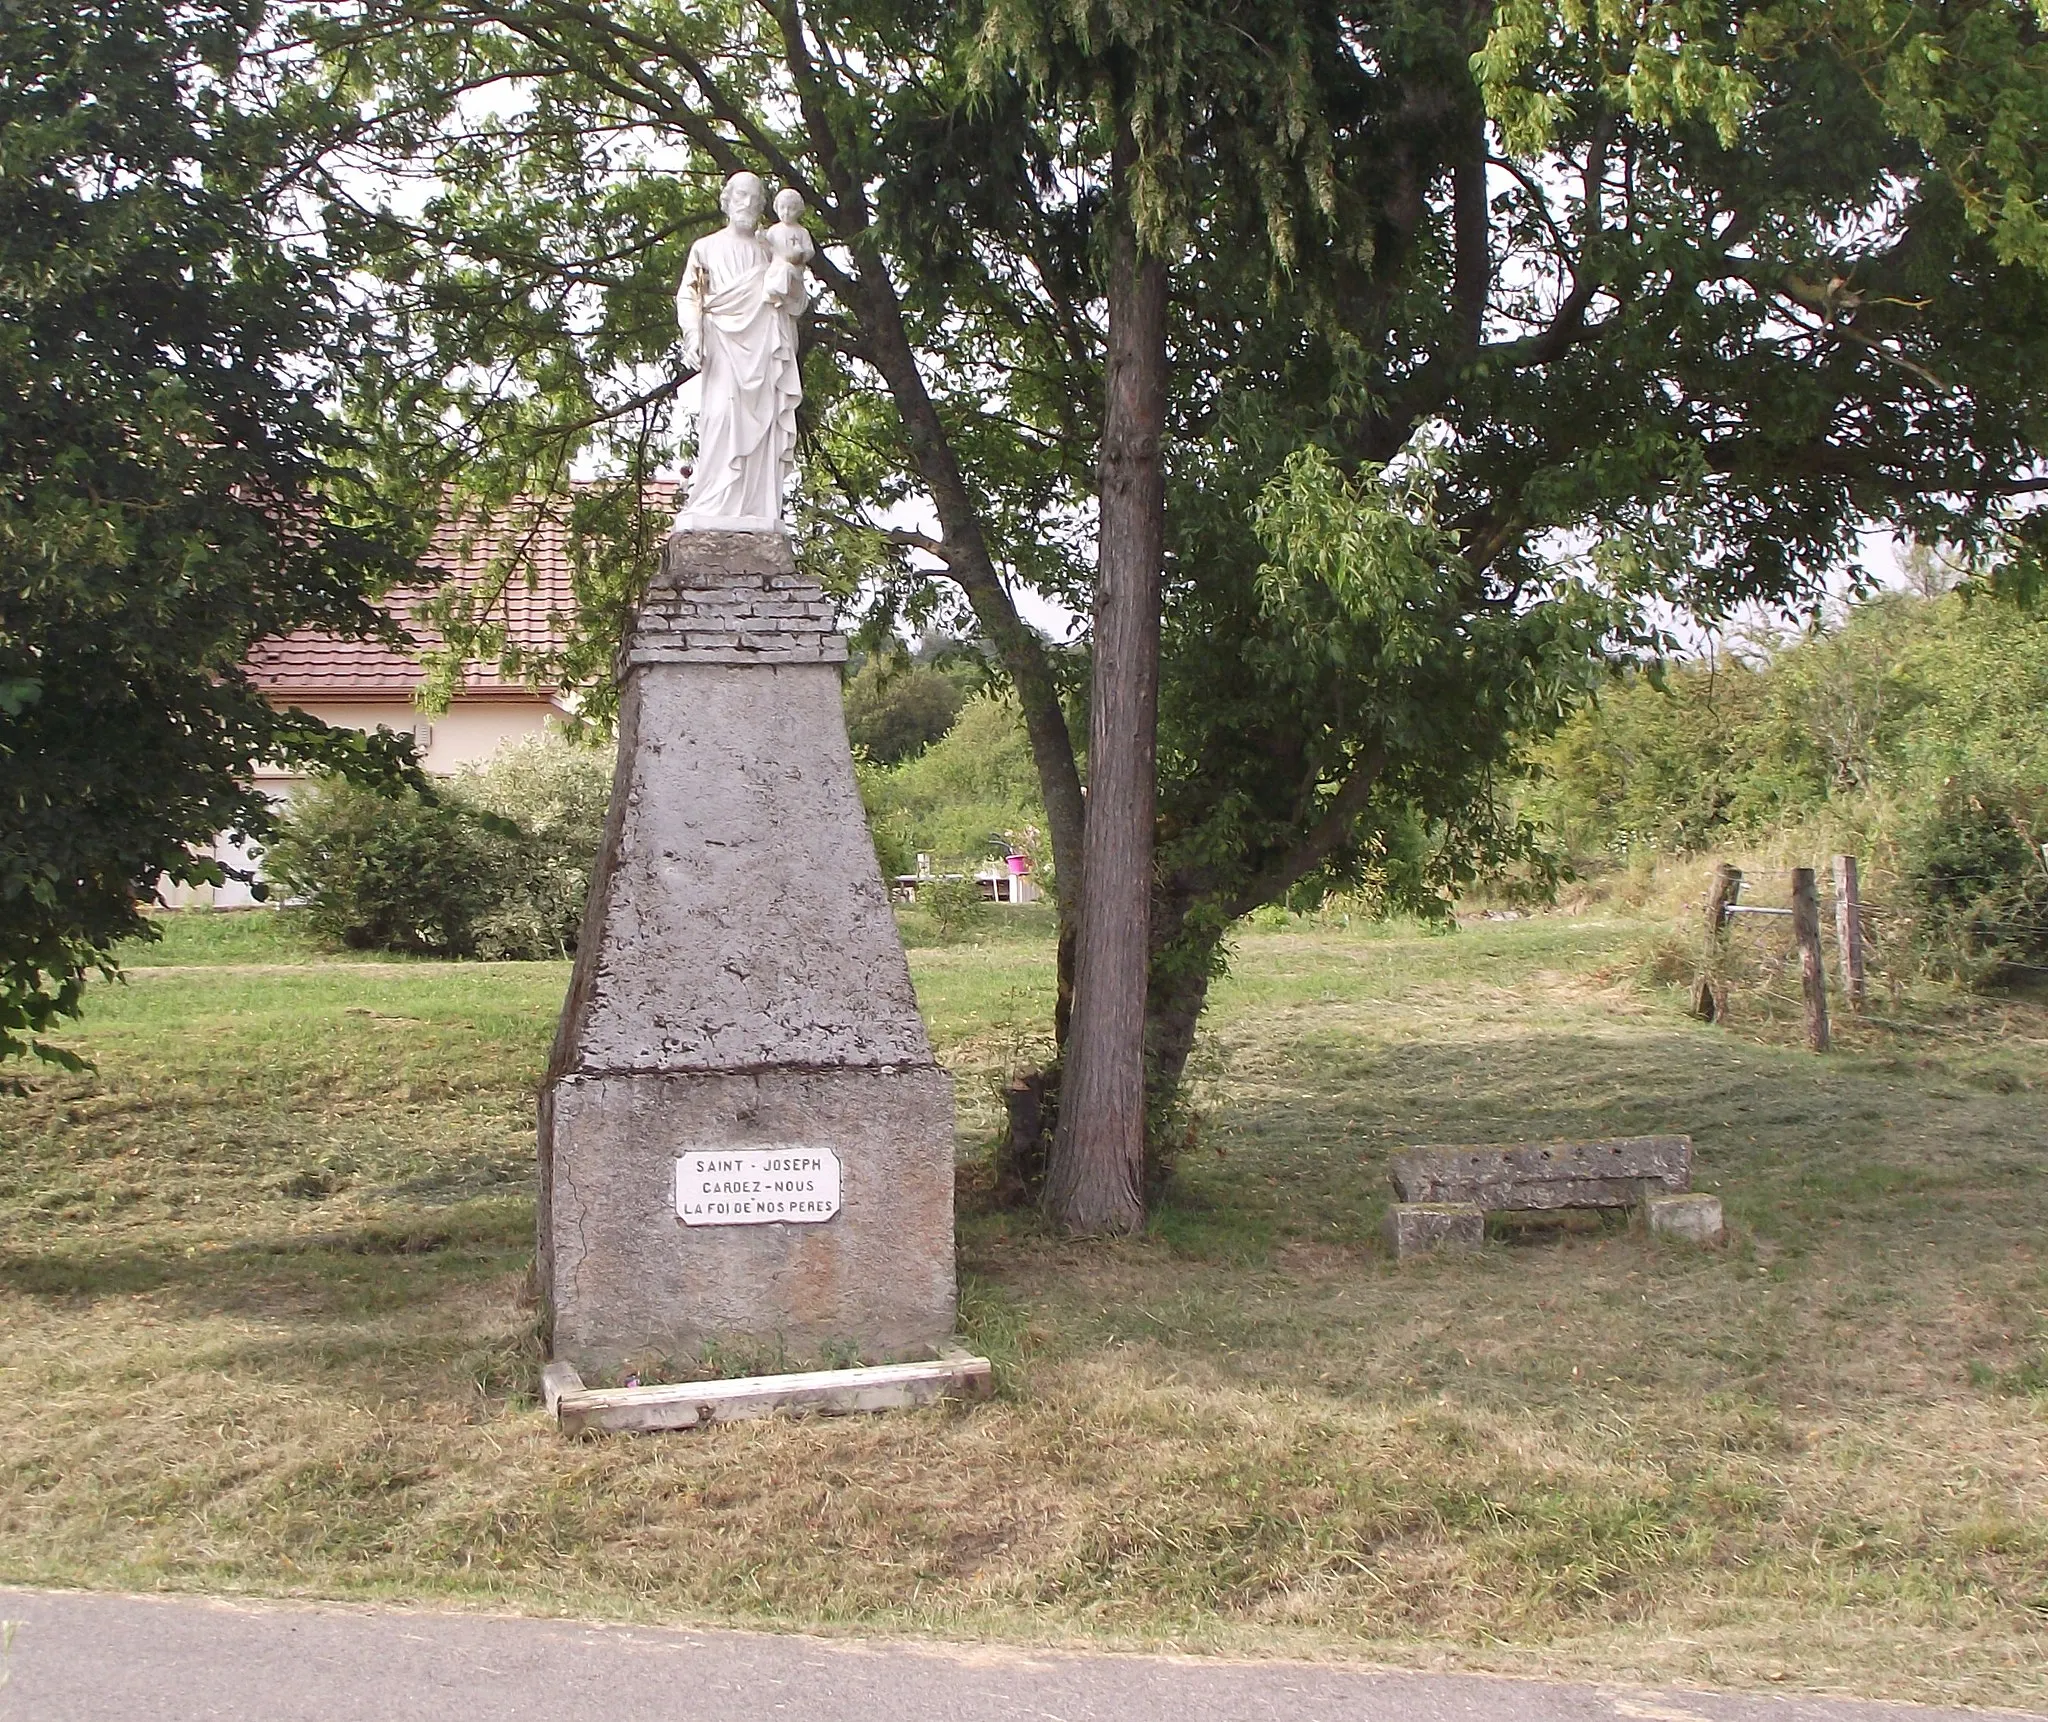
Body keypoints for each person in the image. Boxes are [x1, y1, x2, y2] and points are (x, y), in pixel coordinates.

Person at [675, 172, 810, 527]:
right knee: (720, 417)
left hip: (764, 347)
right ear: (727, 199)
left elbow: (796, 300)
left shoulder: (770, 248)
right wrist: (693, 336)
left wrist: (789, 276)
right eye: (741, 196)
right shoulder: (706, 247)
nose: (748, 204)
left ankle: (756, 508)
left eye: (755, 198)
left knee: (764, 427)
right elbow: (690, 296)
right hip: (722, 344)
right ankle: (715, 500)